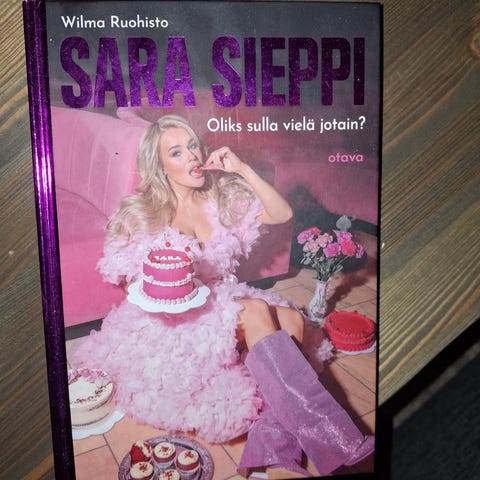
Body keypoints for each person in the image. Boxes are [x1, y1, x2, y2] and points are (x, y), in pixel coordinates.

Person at [73, 115, 373, 477]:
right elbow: (128, 281)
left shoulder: (221, 196)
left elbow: (282, 213)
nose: (192, 155)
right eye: (176, 152)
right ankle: (332, 437)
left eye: (192, 145)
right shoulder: (144, 212)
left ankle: (271, 456)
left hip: (220, 296)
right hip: (172, 315)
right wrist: (167, 289)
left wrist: (242, 169)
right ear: (160, 165)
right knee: (258, 310)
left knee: (293, 319)